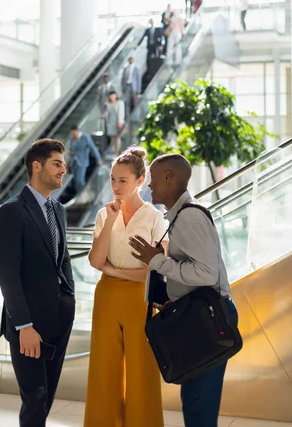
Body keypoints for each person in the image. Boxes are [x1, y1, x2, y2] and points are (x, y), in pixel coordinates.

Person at [129, 153, 238, 427]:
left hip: (208, 319)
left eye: (153, 178)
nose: (149, 185)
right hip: (199, 316)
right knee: (195, 400)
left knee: (199, 405)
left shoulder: (189, 218)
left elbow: (206, 273)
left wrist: (157, 262)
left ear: (169, 177)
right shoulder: (180, 216)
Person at [0, 139, 75, 427]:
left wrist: (69, 300)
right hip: (28, 324)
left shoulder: (58, 210)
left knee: (47, 395)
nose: (63, 170)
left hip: (59, 319)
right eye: (56, 164)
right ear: (36, 166)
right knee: (34, 395)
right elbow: (7, 274)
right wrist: (24, 325)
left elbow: (62, 261)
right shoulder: (11, 212)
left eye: (63, 165)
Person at [84, 147, 167, 427]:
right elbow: (96, 261)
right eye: (112, 179)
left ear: (140, 181)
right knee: (103, 369)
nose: (116, 187)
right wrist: (109, 221)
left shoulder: (154, 218)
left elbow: (155, 271)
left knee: (142, 369)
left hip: (140, 299)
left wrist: (115, 270)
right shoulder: (103, 214)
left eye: (123, 180)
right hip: (106, 295)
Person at [68, 126, 103, 193]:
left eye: (74, 133)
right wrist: (70, 152)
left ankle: (83, 194)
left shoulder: (85, 137)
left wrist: (98, 159)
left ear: (77, 131)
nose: (73, 135)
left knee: (80, 181)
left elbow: (93, 148)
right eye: (72, 134)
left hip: (82, 162)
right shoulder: (72, 138)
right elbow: (71, 148)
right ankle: (79, 195)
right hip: (74, 162)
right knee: (76, 181)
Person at [103, 90, 125, 155]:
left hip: (117, 122)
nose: (112, 97)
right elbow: (107, 113)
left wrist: (120, 122)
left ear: (116, 95)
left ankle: (117, 151)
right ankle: (112, 151)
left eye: (113, 95)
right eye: (111, 95)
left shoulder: (120, 103)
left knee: (117, 137)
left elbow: (121, 113)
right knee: (112, 137)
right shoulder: (108, 104)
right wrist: (102, 116)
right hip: (110, 122)